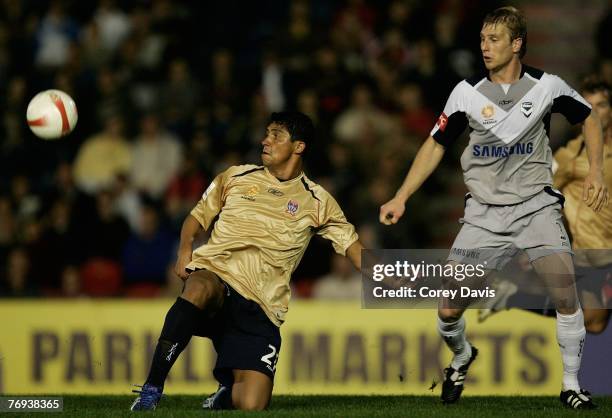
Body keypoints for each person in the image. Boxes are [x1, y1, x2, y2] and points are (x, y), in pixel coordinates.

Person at [379, 7, 607, 409]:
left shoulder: (547, 86)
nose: (484, 47)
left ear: (516, 44)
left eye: (494, 39)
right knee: (448, 309)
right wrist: (402, 195)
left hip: (537, 207)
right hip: (484, 214)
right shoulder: (466, 92)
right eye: (482, 39)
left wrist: (596, 173)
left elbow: (588, 119)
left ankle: (571, 384)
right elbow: (435, 144)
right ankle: (463, 355)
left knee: (566, 294)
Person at [131, 111, 363, 411]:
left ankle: (225, 393)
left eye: (276, 135)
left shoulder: (317, 201)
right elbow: (196, 217)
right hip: (217, 280)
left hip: (261, 308)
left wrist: (396, 277)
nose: (265, 141)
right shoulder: (236, 176)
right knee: (200, 286)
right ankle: (152, 389)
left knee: (252, 404)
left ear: (298, 147)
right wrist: (185, 250)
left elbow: (354, 249)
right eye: (266, 133)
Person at [479, 76, 612, 334]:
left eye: (602, 105)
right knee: (593, 319)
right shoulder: (569, 156)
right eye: (588, 105)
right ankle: (514, 298)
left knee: (594, 320)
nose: (594, 112)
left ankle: (515, 298)